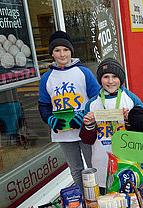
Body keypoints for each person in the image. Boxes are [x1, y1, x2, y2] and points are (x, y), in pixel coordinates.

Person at [38, 31, 100, 192]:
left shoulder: (83, 72)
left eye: (65, 50)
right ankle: (85, 201)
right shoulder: (47, 78)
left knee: (94, 166)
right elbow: (44, 105)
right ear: (52, 53)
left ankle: (100, 197)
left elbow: (97, 98)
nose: (62, 54)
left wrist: (83, 116)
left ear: (71, 51)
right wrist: (49, 119)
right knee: (76, 169)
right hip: (64, 133)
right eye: (57, 50)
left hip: (85, 129)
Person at [79, 58, 142, 193]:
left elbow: (141, 134)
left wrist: (129, 121)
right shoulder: (92, 103)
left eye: (114, 76)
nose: (110, 81)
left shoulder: (132, 99)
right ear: (100, 79)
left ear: (121, 78)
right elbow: (87, 140)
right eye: (106, 77)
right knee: (106, 202)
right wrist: (89, 125)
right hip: (101, 163)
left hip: (127, 163)